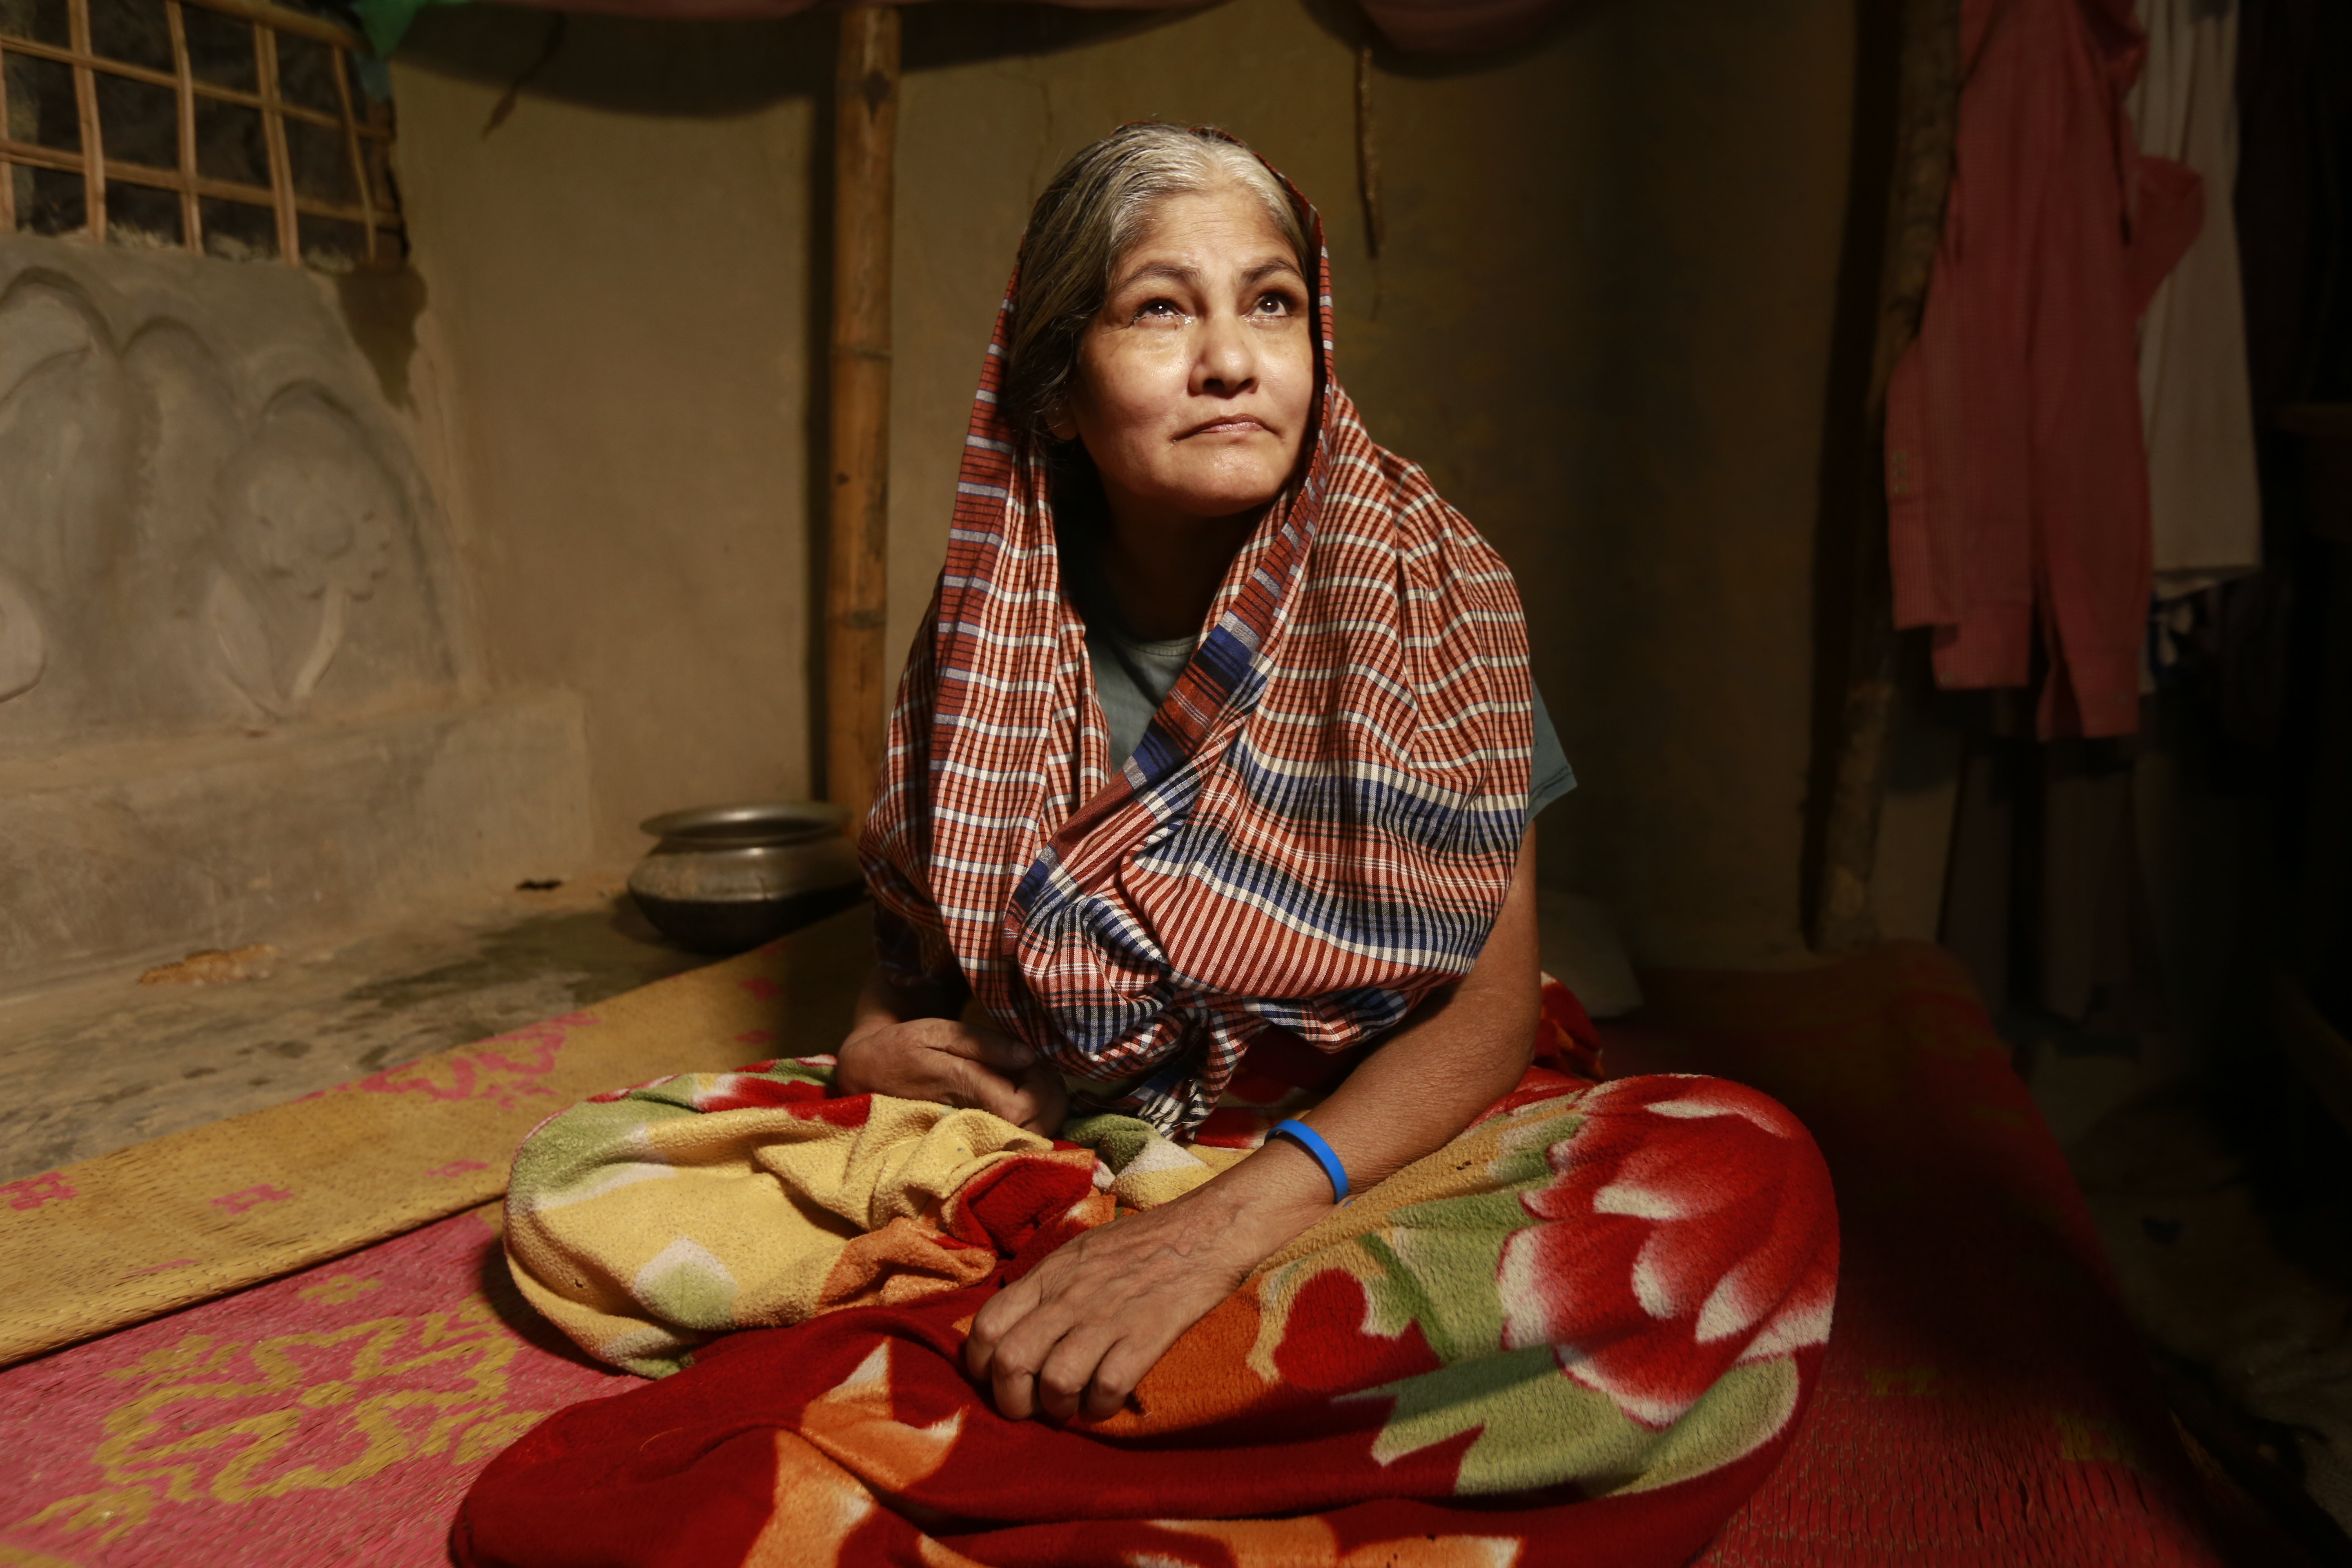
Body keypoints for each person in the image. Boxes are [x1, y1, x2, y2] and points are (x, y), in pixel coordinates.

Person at [464, 125, 1836, 1568]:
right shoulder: (994, 625)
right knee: (576, 1186)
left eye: (1273, 303)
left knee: (1741, 1174)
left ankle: (1010, 1401)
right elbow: (922, 962)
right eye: (1162, 308)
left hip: (1350, 1148)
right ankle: (1194, 1406)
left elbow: (1490, 1017)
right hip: (1055, 1150)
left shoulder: (1433, 603)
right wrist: (876, 1049)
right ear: (1055, 391)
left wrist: (1220, 1230)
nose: (1234, 360)